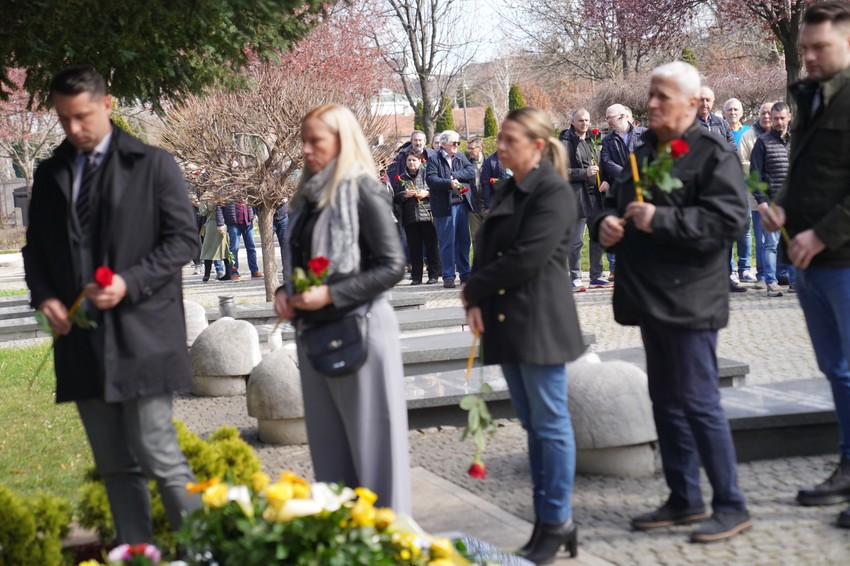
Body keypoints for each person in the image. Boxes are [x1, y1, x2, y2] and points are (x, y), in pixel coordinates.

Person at [22, 65, 201, 544]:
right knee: (114, 466)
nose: (73, 129)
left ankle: (204, 553)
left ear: (107, 105)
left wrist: (128, 282)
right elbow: (35, 250)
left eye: (82, 116)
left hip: (144, 334)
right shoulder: (51, 172)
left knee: (160, 454)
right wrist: (45, 299)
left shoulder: (154, 164)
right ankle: (137, 554)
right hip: (81, 340)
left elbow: (185, 241)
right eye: (63, 119)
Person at [591, 61, 751, 543]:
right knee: (666, 401)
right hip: (649, 297)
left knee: (699, 401)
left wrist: (660, 219)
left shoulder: (710, 152)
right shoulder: (647, 149)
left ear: (689, 102)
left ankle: (731, 504)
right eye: (651, 95)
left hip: (691, 298)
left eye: (662, 97)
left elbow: (728, 223)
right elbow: (616, 207)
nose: (652, 104)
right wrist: (607, 227)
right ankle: (684, 497)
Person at [273, 103, 410, 512]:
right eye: (304, 141)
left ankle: (388, 545)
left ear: (342, 141)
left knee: (376, 456)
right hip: (315, 333)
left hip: (361, 331)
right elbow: (307, 265)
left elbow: (392, 266)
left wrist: (331, 295)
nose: (306, 150)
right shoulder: (307, 199)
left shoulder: (363, 189)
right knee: (331, 455)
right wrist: (286, 290)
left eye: (316, 141)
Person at [462, 107, 585, 564]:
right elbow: (488, 247)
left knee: (550, 425)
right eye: (500, 141)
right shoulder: (513, 185)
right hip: (507, 319)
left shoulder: (552, 191)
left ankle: (556, 520)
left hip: (540, 322)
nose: (500, 147)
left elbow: (527, 258)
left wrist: (473, 289)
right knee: (534, 425)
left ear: (536, 145)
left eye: (510, 140)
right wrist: (476, 300)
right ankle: (547, 520)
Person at [761, 0, 850, 529]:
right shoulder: (811, 98)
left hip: (841, 258)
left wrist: (822, 233)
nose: (809, 57)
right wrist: (784, 209)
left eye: (821, 47)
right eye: (804, 49)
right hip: (811, 263)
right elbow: (806, 173)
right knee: (836, 371)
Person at [560, 109, 609, 290]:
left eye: (587, 120)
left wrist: (604, 180)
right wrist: (584, 173)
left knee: (596, 236)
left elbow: (600, 164)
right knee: (577, 239)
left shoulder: (592, 139)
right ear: (572, 121)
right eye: (580, 120)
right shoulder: (564, 142)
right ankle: (575, 277)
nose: (584, 123)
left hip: (595, 194)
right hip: (576, 195)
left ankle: (596, 275)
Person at [750, 101, 794, 298]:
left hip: (794, 203)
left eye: (782, 118)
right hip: (773, 201)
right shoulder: (762, 142)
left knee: (793, 243)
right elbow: (755, 175)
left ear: (789, 117)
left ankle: (795, 282)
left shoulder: (798, 141)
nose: (778, 122)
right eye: (775, 118)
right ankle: (771, 282)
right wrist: (761, 201)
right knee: (771, 244)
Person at [600, 103, 647, 281]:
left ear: (622, 116)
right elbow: (607, 162)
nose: (607, 121)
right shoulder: (607, 140)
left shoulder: (643, 134)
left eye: (609, 117)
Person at [425, 130, 476, 288]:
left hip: (461, 204)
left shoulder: (461, 157)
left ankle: (465, 273)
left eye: (458, 143)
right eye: (454, 143)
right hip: (444, 207)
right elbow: (431, 179)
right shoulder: (434, 159)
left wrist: (455, 175)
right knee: (447, 242)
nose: (457, 145)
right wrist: (449, 183)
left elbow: (470, 171)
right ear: (444, 143)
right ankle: (448, 276)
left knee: (464, 241)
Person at [739, 101, 774, 289]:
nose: (766, 117)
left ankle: (779, 273)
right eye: (763, 113)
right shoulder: (748, 136)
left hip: (778, 193)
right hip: (757, 194)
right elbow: (743, 162)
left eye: (770, 113)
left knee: (777, 237)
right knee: (760, 236)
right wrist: (760, 168)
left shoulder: (782, 135)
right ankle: (762, 273)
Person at [393, 152, 440, 285]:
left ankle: (433, 274)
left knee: (431, 246)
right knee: (414, 248)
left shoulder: (427, 174)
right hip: (410, 217)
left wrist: (426, 193)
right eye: (409, 161)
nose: (411, 163)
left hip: (427, 215)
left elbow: (436, 190)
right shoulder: (401, 177)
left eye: (414, 160)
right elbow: (395, 197)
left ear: (420, 161)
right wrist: (404, 194)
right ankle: (416, 277)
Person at [723, 98, 756, 283]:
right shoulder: (721, 131)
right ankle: (731, 269)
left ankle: (744, 267)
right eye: (729, 110)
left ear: (742, 113)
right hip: (726, 187)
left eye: (736, 109)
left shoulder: (748, 133)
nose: (733, 112)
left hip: (744, 187)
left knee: (745, 228)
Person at [216, 199, 263, 280]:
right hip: (233, 224)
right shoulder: (225, 189)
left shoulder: (247, 187)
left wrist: (256, 214)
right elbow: (219, 206)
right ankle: (233, 272)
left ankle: (254, 270)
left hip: (248, 222)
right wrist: (220, 223)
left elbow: (254, 201)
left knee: (251, 248)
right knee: (234, 249)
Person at [199, 198, 232, 282]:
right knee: (225, 248)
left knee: (208, 249)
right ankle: (228, 273)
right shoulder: (225, 193)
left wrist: (202, 202)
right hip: (224, 224)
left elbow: (203, 212)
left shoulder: (206, 196)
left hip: (212, 224)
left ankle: (207, 275)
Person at [465, 136, 487, 252]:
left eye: (472, 148)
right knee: (476, 238)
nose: (469, 151)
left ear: (480, 148)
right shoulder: (467, 164)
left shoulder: (490, 163)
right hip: (473, 207)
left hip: (488, 206)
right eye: (468, 148)